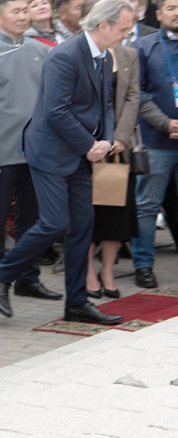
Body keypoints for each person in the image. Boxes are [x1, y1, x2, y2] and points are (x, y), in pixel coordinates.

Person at [0, 0, 134, 324]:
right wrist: (89, 144)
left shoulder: (102, 56)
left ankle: (76, 303)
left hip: (80, 153)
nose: (127, 35)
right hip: (50, 151)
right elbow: (56, 111)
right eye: (123, 29)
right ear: (104, 25)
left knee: (83, 225)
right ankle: (1, 274)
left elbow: (107, 104)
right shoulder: (65, 55)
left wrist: (107, 139)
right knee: (55, 223)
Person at [0, 0, 59, 302]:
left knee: (31, 218)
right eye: (15, 11)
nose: (21, 16)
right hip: (1, 151)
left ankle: (27, 277)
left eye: (25, 10)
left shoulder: (41, 50)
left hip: (35, 150)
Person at [86, 30, 139, 299]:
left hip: (118, 150)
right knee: (85, 214)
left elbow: (133, 97)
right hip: (86, 148)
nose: (125, 31)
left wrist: (120, 138)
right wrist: (88, 142)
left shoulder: (129, 55)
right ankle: (87, 272)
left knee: (116, 213)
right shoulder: (81, 53)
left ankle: (107, 272)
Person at [133, 0, 178, 288]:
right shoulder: (143, 46)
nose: (177, 12)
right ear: (158, 14)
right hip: (156, 140)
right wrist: (165, 123)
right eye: (171, 7)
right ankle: (143, 265)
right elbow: (137, 93)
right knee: (147, 206)